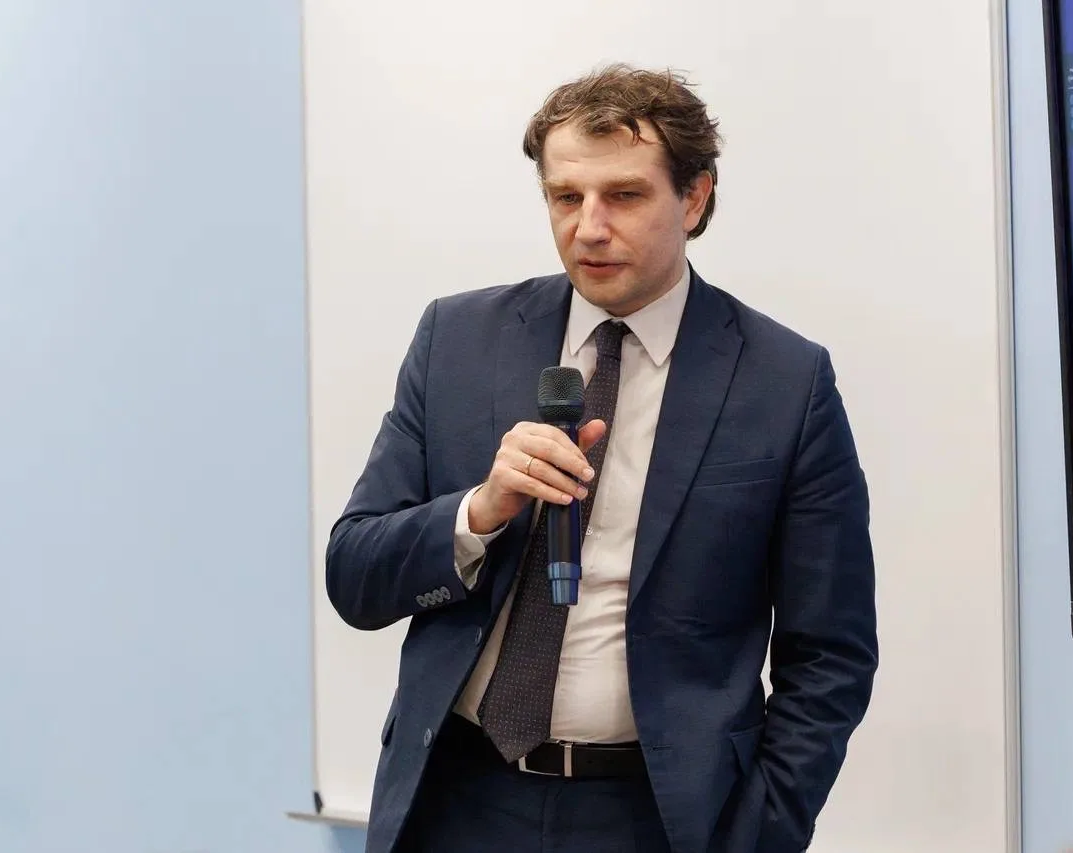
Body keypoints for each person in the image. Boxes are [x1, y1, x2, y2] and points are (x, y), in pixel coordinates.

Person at [325, 63, 878, 853]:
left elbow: (829, 655)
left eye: (623, 195)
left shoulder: (784, 383)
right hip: (457, 799)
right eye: (565, 197)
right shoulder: (458, 340)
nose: (588, 226)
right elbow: (354, 574)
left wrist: (757, 834)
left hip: (652, 816)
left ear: (694, 198)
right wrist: (479, 512)